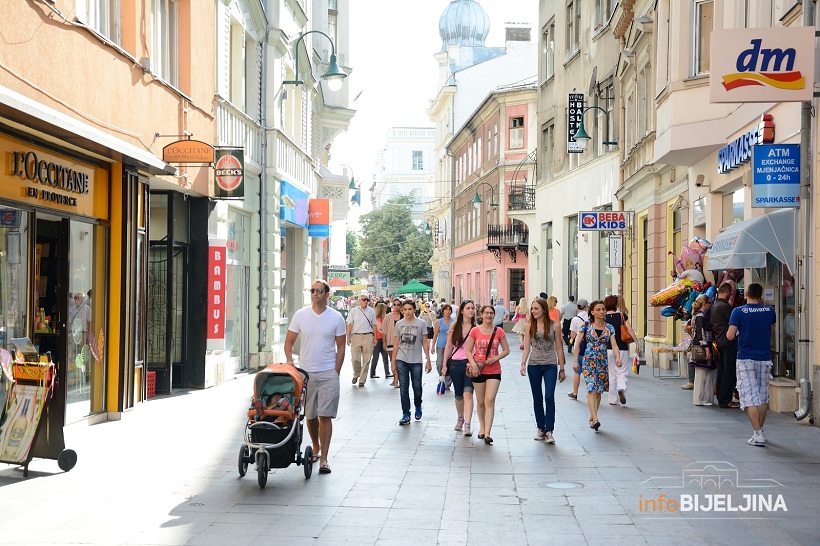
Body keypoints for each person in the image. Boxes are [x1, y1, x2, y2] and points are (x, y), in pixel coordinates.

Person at [284, 280, 346, 475]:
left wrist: (335, 371)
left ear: (327, 294)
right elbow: (289, 342)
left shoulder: (336, 318)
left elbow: (341, 346)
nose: (315, 294)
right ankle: (315, 446)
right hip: (306, 373)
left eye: (319, 291)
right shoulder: (300, 316)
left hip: (328, 373)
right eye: (312, 290)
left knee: (325, 415)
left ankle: (325, 459)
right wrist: (290, 362)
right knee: (310, 416)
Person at [727, 283, 776, 447]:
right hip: (764, 356)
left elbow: (729, 335)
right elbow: (772, 329)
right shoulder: (769, 311)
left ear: (746, 294)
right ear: (761, 295)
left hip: (746, 357)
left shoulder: (738, 311)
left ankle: (758, 434)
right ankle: (759, 431)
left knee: (749, 397)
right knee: (762, 396)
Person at [520, 298, 566, 443]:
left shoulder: (555, 325)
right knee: (537, 398)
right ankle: (541, 427)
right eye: (532, 308)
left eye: (536, 308)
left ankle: (549, 429)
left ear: (544, 310)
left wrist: (562, 368)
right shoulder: (529, 326)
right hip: (533, 364)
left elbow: (559, 347)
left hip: (550, 364)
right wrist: (522, 363)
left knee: (549, 397)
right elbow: (527, 347)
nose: (533, 311)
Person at [465, 305, 511, 445]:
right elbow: (468, 351)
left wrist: (495, 358)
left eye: (491, 313)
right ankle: (482, 427)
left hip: (494, 370)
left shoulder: (499, 331)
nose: (489, 315)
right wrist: (473, 364)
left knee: (489, 400)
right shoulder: (475, 331)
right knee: (480, 401)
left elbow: (506, 350)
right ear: (482, 315)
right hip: (478, 369)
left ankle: (488, 433)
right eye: (487, 313)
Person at [572, 300, 621, 431]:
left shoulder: (609, 327)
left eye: (603, 309)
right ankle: (596, 418)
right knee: (591, 390)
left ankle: (592, 418)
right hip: (588, 361)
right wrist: (576, 360)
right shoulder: (586, 325)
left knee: (598, 392)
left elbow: (614, 344)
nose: (602, 311)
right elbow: (577, 344)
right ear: (592, 312)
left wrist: (618, 358)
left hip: (602, 362)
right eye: (598, 309)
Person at [391, 300, 432, 425]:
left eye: (410, 309)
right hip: (401, 359)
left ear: (414, 309)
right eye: (405, 309)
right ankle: (405, 413)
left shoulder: (421, 323)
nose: (407, 312)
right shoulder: (399, 324)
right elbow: (396, 343)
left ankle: (418, 405)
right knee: (403, 387)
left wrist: (428, 359)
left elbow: (425, 342)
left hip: (416, 360)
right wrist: (393, 361)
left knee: (417, 386)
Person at [441, 300, 477, 434]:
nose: (471, 310)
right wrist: (444, 365)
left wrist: (475, 363)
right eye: (468, 308)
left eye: (472, 308)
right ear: (462, 311)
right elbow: (449, 346)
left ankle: (467, 424)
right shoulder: (455, 325)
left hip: (469, 364)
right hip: (455, 364)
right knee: (458, 395)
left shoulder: (476, 327)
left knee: (468, 393)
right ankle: (460, 418)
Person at [604, 295, 637, 405]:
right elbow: (630, 330)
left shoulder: (604, 318)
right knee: (622, 371)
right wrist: (636, 342)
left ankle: (612, 399)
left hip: (608, 348)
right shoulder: (622, 316)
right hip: (622, 347)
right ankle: (621, 388)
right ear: (616, 304)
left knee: (612, 373)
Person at [712, 282, 740, 408]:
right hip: (729, 341)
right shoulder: (725, 307)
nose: (731, 295)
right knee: (729, 370)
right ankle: (725, 399)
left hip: (720, 340)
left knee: (723, 370)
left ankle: (721, 397)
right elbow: (735, 322)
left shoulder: (715, 305)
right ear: (726, 291)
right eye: (730, 292)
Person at [689, 295, 717, 406]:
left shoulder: (696, 315)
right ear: (704, 304)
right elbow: (701, 334)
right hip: (701, 347)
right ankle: (700, 399)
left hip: (698, 346)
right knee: (701, 374)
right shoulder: (700, 316)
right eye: (709, 303)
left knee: (702, 373)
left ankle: (702, 398)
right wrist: (707, 349)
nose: (710, 305)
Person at [346, 294, 377, 387]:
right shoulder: (354, 311)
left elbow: (374, 324)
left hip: (368, 335)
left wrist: (375, 337)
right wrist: (348, 336)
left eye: (367, 299)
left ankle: (362, 380)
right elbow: (350, 324)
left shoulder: (371, 311)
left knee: (367, 359)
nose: (365, 301)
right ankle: (356, 374)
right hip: (356, 335)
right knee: (355, 358)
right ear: (359, 301)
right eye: (363, 299)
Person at [567, 299, 589, 399]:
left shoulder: (575, 319)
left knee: (577, 371)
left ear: (578, 307)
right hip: (589, 346)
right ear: (586, 306)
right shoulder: (590, 317)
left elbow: (572, 334)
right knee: (589, 370)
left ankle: (575, 392)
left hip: (579, 346)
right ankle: (591, 392)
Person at [380, 299, 402, 387]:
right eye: (395, 304)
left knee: (399, 361)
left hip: (401, 343)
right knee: (392, 360)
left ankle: (397, 380)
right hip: (390, 341)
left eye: (398, 305)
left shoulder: (403, 316)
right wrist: (384, 341)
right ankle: (395, 378)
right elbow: (384, 330)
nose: (396, 306)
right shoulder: (388, 317)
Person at [432, 303, 454, 389]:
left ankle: (447, 383)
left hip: (451, 346)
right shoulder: (439, 321)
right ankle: (442, 377)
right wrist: (433, 345)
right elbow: (435, 334)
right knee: (439, 363)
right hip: (440, 345)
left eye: (449, 310)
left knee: (449, 364)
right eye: (446, 310)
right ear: (443, 311)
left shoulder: (453, 322)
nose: (448, 311)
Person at [369, 303, 391, 378]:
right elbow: (380, 329)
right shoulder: (378, 319)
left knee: (385, 357)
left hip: (382, 339)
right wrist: (387, 333)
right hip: (378, 339)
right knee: (376, 357)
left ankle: (387, 372)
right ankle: (372, 373)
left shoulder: (382, 318)